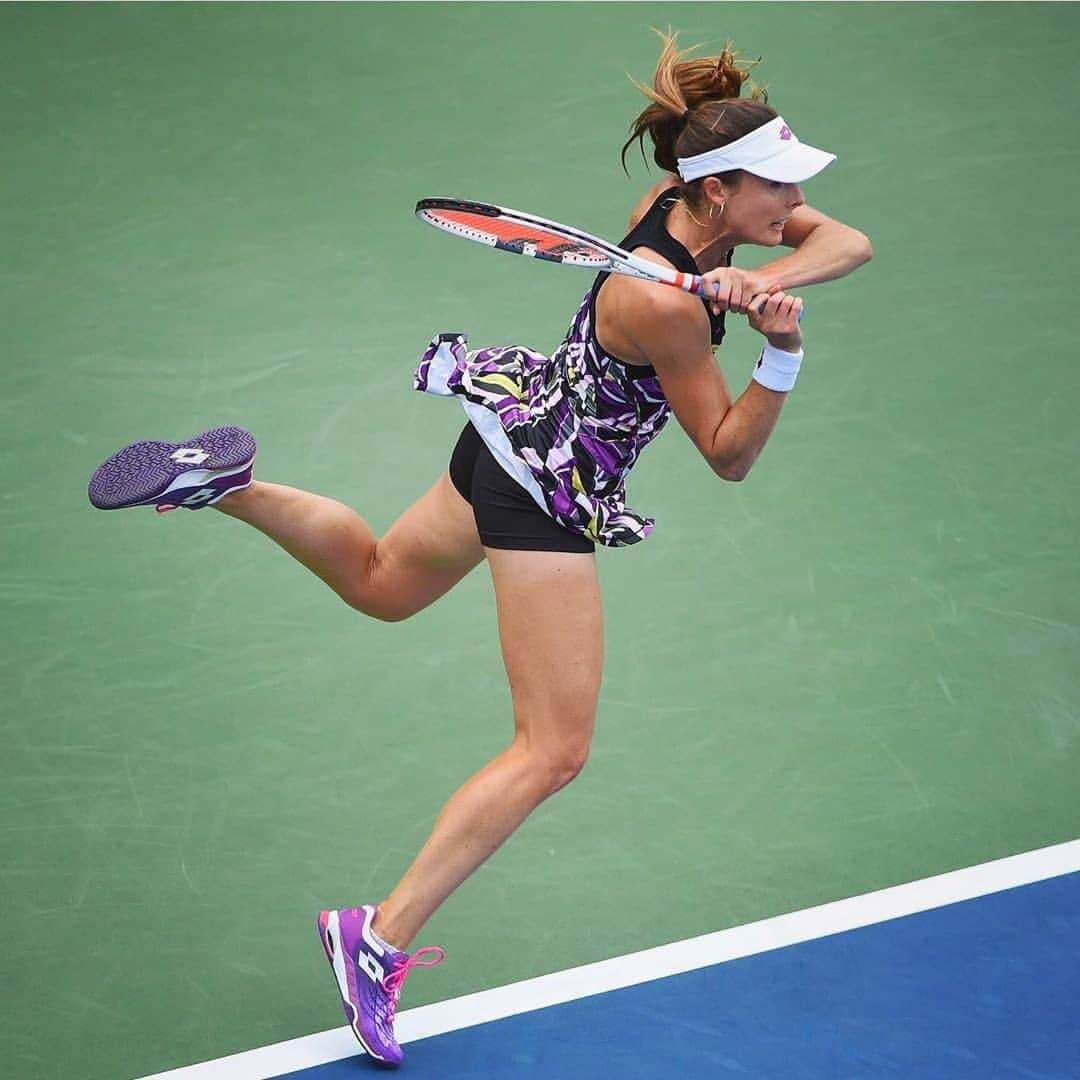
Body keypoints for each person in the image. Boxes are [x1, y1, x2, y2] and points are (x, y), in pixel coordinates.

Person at [87, 32, 870, 1069]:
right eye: (776, 194)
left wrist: (756, 280)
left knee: (379, 585)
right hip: (548, 488)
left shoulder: (692, 210)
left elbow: (846, 240)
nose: (791, 210)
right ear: (720, 194)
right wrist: (780, 350)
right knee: (553, 751)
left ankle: (225, 484)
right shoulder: (656, 300)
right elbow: (727, 455)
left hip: (513, 430)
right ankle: (379, 938)